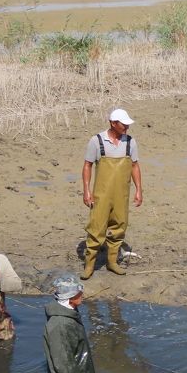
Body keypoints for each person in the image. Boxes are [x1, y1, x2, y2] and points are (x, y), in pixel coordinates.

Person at [81, 108, 143, 279]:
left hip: (121, 196)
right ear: (113, 123)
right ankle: (89, 265)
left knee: (119, 227)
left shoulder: (130, 142)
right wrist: (86, 191)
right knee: (96, 229)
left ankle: (112, 262)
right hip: (101, 196)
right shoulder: (97, 141)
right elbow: (87, 165)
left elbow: (134, 166)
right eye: (123, 125)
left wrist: (139, 190)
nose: (126, 128)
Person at [43, 275, 96, 373]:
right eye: (79, 293)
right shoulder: (60, 325)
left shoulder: (69, 312)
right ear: (71, 298)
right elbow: (63, 362)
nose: (82, 294)